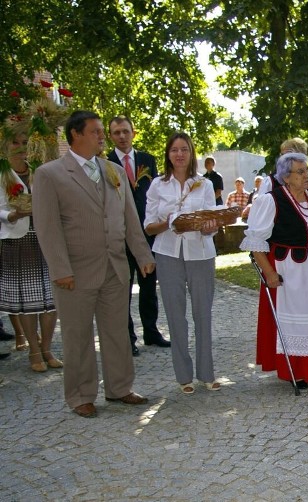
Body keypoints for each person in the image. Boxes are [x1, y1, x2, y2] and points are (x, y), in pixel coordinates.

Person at [32, 110, 154, 418]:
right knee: (78, 336)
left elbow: (129, 217)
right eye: (96, 132)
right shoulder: (50, 174)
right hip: (75, 271)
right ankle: (81, 395)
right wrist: (60, 270)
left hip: (115, 267)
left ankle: (120, 387)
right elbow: (47, 228)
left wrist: (143, 255)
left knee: (116, 331)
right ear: (76, 134)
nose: (102, 136)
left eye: (102, 132)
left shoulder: (113, 170)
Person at [241, 152, 308, 390]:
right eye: (300, 171)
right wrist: (269, 273)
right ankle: (295, 371)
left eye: (306, 170)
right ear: (286, 177)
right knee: (295, 321)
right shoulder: (271, 200)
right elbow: (256, 241)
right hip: (290, 269)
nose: (306, 174)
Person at [144, 132, 221, 394]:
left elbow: (211, 223)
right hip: (168, 253)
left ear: (191, 154)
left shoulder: (204, 184)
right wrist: (170, 222)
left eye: (184, 150)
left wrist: (209, 226)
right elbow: (149, 226)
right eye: (174, 149)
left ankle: (207, 373)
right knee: (176, 316)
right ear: (168, 154)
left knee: (203, 314)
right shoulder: (157, 185)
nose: (179, 154)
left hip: (200, 253)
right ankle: (183, 376)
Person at [107, 115, 169, 357]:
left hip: (146, 233)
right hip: (120, 234)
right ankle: (127, 337)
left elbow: (154, 194)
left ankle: (151, 331)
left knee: (148, 286)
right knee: (123, 288)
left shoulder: (147, 160)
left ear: (133, 132)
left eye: (125, 131)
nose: (122, 136)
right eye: (116, 133)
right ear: (111, 136)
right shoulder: (105, 163)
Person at [0, 130, 60, 372]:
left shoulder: (39, 170)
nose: (21, 147)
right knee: (26, 301)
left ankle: (47, 349)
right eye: (16, 142)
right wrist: (11, 215)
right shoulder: (2, 173)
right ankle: (34, 352)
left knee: (51, 300)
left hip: (45, 239)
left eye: (25, 142)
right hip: (17, 240)